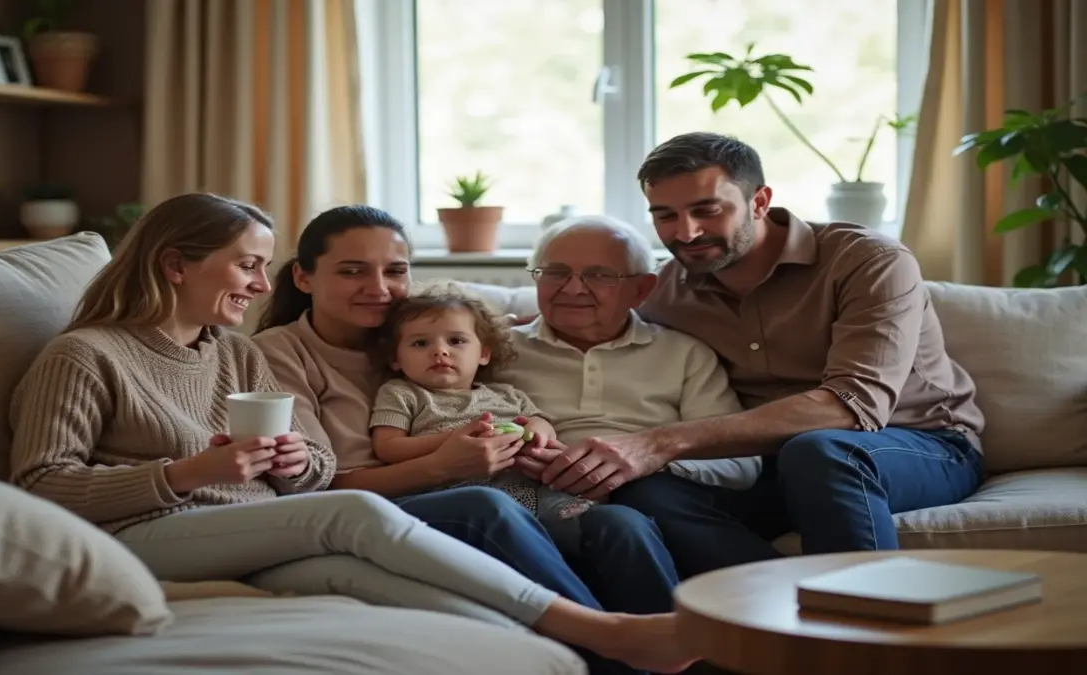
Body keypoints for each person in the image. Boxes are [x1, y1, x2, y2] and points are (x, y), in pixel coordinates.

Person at [8, 192, 698, 675]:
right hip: (148, 530)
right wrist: (188, 473)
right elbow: (39, 487)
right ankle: (605, 631)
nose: (257, 282)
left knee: (394, 584)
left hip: (256, 527)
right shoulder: (86, 354)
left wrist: (291, 457)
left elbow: (310, 468)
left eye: (261, 265)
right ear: (173, 263)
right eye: (247, 263)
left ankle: (588, 663)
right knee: (356, 511)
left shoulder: (235, 352)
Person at [515, 132, 986, 580]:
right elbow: (592, 314)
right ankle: (770, 611)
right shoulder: (667, 289)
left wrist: (657, 443)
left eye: (707, 209)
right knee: (643, 490)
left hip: (915, 445)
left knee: (818, 450)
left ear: (759, 201)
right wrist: (497, 334)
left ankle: (865, 640)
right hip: (772, 464)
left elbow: (852, 405)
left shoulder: (866, 261)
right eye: (665, 216)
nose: (686, 232)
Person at [251, 204, 689, 673]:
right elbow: (317, 488)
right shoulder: (277, 354)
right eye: (352, 271)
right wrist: (444, 464)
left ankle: (684, 647)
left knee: (622, 522)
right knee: (486, 507)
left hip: (491, 489)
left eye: (395, 271)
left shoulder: (424, 333)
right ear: (303, 278)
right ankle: (615, 652)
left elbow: (488, 329)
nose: (379, 289)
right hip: (370, 509)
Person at [499, 214, 762, 510]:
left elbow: (741, 464)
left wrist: (651, 464)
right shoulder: (494, 350)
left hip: (656, 501)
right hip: (528, 501)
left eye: (599, 275)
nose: (572, 289)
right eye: (556, 273)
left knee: (650, 497)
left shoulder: (684, 354)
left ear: (641, 289)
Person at [368, 286, 596, 548]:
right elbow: (387, 447)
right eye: (421, 343)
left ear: (484, 353)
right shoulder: (401, 393)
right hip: (456, 493)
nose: (440, 351)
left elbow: (541, 421)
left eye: (456, 341)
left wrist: (537, 431)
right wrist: (453, 439)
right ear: (396, 358)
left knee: (581, 510)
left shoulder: (507, 394)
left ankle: (569, 529)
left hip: (525, 489)